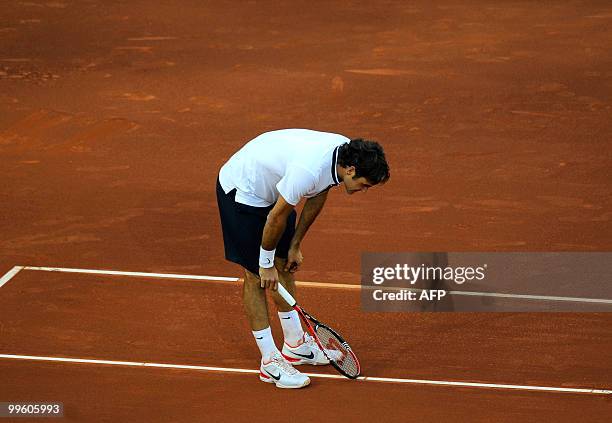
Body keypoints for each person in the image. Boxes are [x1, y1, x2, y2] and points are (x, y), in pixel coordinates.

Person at [216, 128, 390, 388]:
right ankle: (270, 361)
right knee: (255, 277)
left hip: (274, 190)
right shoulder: (307, 170)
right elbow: (276, 217)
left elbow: (318, 192)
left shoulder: (342, 153)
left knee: (284, 264)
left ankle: (296, 344)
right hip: (243, 191)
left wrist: (295, 244)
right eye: (364, 184)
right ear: (352, 170)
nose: (363, 190)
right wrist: (264, 264)